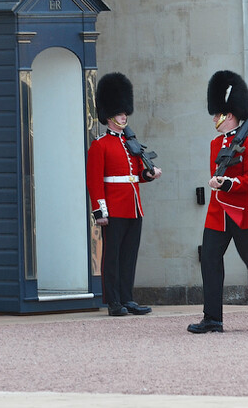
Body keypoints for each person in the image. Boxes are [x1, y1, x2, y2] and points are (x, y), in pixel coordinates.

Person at [188, 70, 248, 333]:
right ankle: (213, 317)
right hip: (218, 212)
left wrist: (228, 184)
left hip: (243, 212)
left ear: (231, 114)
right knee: (211, 260)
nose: (215, 118)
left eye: (219, 114)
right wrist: (219, 183)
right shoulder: (216, 144)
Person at [86, 72, 162, 317]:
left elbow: (137, 174)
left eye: (124, 112)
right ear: (110, 116)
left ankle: (128, 298)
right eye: (120, 113)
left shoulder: (131, 142)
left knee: (129, 255)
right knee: (113, 257)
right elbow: (95, 181)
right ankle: (114, 301)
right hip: (114, 208)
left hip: (133, 206)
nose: (124, 116)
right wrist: (100, 211)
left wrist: (149, 175)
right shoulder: (100, 145)